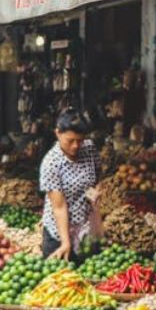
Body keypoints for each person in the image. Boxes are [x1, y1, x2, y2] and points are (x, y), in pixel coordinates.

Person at [39, 109, 100, 261]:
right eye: (70, 140)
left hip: (86, 231)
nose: (75, 146)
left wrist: (96, 191)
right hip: (59, 235)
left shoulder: (89, 148)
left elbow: (97, 176)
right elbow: (59, 207)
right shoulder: (51, 163)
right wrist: (65, 242)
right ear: (58, 133)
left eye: (80, 140)